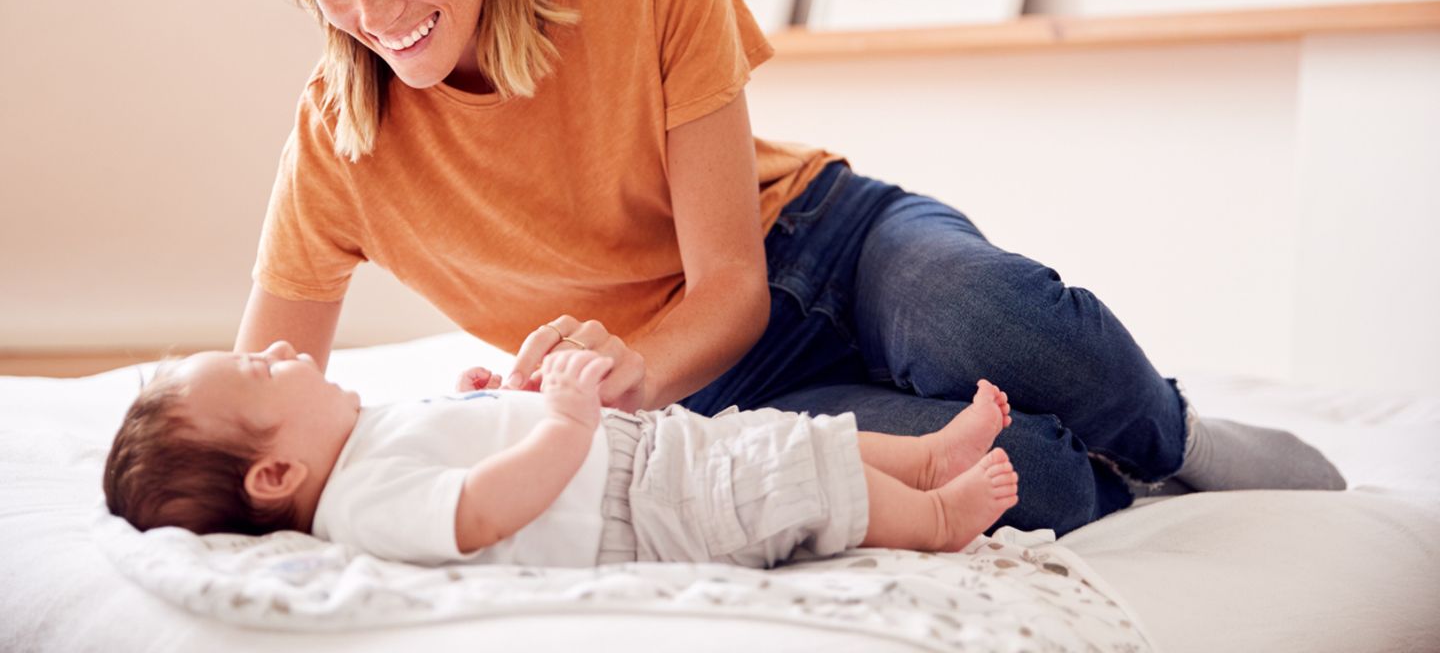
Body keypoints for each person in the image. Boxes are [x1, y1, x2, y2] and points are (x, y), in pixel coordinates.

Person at [234, 0, 1344, 540]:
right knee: (1023, 476)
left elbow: (732, 291)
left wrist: (627, 371)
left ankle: (1173, 431)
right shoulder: (340, 142)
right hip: (696, 395)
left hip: (822, 245)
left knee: (988, 315)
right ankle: (1112, 468)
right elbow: (250, 401)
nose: (374, 11)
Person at [104, 341, 1021, 567]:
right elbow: (482, 508)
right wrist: (564, 424)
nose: (285, 353)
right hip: (637, 511)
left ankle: (927, 456)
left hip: (644, 456)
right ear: (274, 477)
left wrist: (489, 401)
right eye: (263, 375)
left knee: (779, 438)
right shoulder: (356, 504)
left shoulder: (361, 441)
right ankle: (934, 520)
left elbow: (466, 451)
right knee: (792, 478)